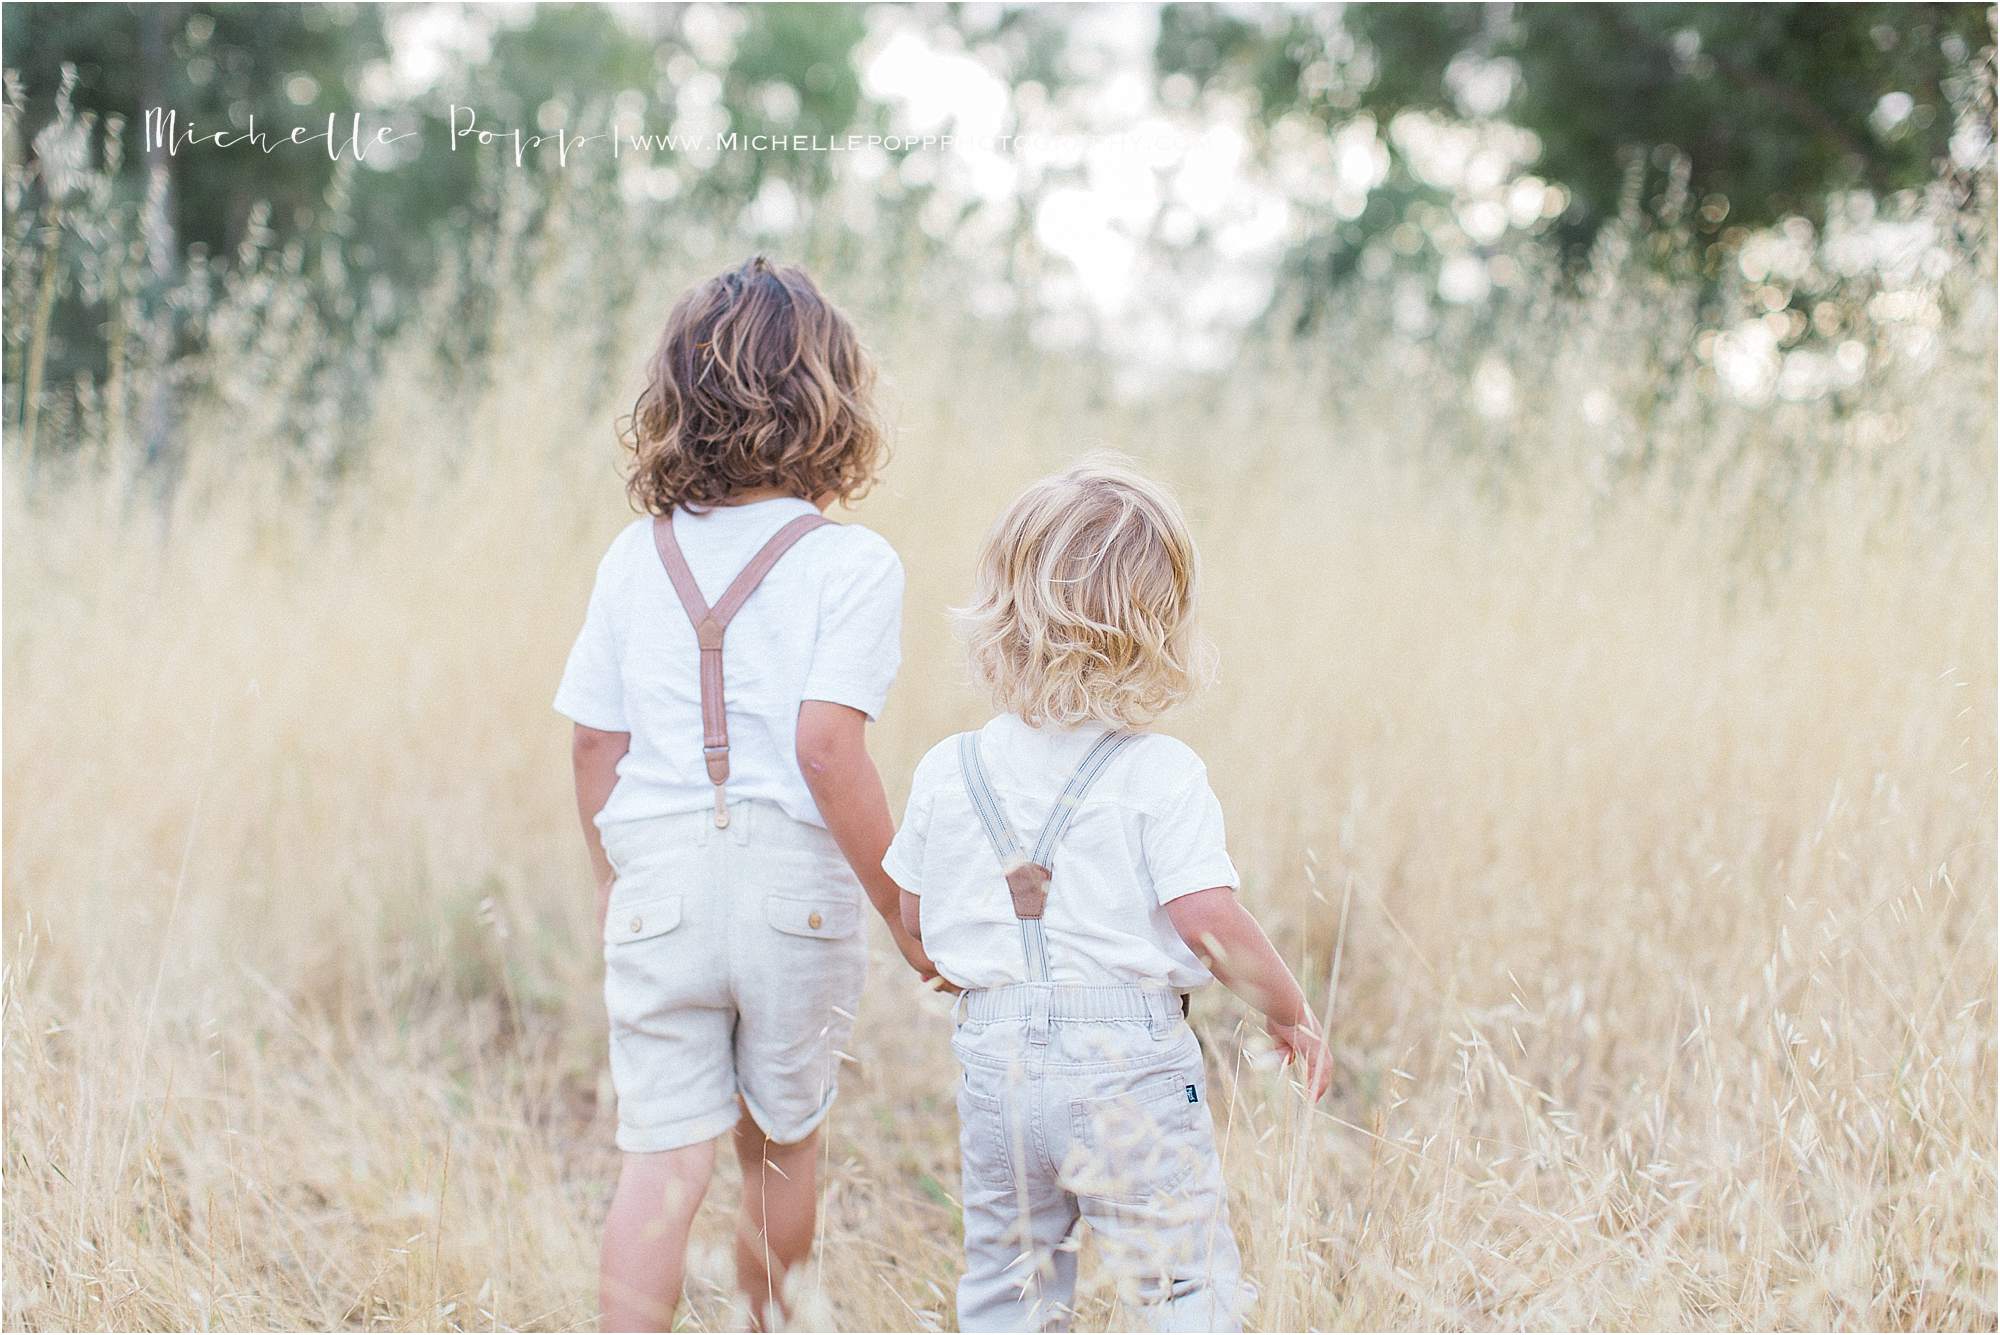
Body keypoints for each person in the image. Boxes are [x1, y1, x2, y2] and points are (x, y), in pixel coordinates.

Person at [555, 256, 936, 1331]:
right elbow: (826, 749)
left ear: (677, 400)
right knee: (779, 1148)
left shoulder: (635, 560)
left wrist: (608, 882)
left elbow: (593, 741)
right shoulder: (851, 564)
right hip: (794, 893)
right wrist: (904, 909)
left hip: (659, 882)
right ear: (833, 404)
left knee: (662, 1159)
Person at [883, 456, 1334, 1332]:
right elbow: (1208, 921)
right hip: (1129, 1066)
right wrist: (1289, 1009)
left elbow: (915, 916)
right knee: (1181, 1283)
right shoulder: (1159, 773)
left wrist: (964, 962)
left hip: (997, 1061)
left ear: (1002, 613)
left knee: (1010, 1286)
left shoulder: (951, 767)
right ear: (1158, 626)